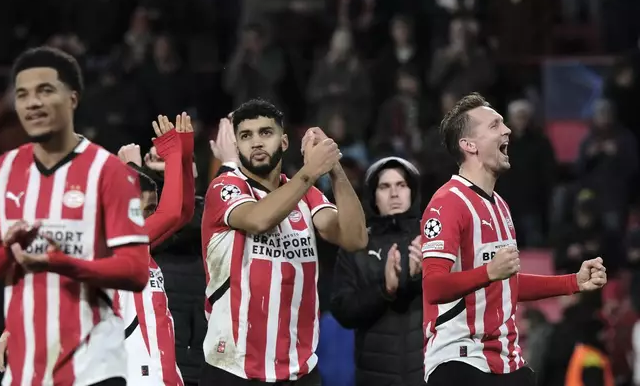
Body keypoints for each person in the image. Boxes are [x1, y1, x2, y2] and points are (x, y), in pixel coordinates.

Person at [420, 93, 608, 386]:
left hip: (508, 362)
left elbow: (507, 285)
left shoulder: (501, 206)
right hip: (460, 360)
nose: (507, 130)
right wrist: (489, 272)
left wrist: (574, 282)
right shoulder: (447, 203)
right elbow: (432, 286)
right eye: (495, 125)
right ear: (469, 145)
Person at [0, 46, 151, 385]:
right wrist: (10, 250)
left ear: (73, 99)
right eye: (22, 95)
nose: (32, 102)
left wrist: (61, 262)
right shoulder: (2, 172)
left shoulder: (110, 172)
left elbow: (136, 271)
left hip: (93, 364)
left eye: (45, 91)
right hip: (25, 369)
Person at [200, 98, 368, 385]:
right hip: (234, 369)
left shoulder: (307, 194)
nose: (256, 143)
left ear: (285, 141)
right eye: (245, 136)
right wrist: (311, 172)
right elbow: (258, 219)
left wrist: (334, 168)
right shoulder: (225, 187)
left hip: (298, 370)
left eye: (266, 133)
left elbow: (354, 238)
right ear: (237, 147)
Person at [330, 156, 425, 386]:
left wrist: (421, 278)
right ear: (373, 196)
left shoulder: (432, 239)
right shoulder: (356, 244)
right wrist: (385, 290)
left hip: (428, 375)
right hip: (374, 377)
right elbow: (342, 310)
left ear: (412, 192)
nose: (394, 193)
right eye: (385, 187)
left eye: (401, 185)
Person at [116, 113, 196, 386]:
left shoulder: (139, 247)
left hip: (162, 372)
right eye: (144, 209)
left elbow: (183, 213)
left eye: (152, 210)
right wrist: (172, 155)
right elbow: (171, 212)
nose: (149, 218)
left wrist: (183, 157)